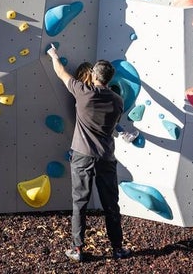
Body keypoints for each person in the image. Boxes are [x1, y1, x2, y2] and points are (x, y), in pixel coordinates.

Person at [46, 44, 130, 262]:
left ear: (93, 76)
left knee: (80, 202)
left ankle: (78, 249)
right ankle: (118, 248)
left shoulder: (83, 92)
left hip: (82, 156)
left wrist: (54, 55)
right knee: (111, 204)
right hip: (106, 158)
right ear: (109, 79)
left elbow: (60, 72)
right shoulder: (118, 101)